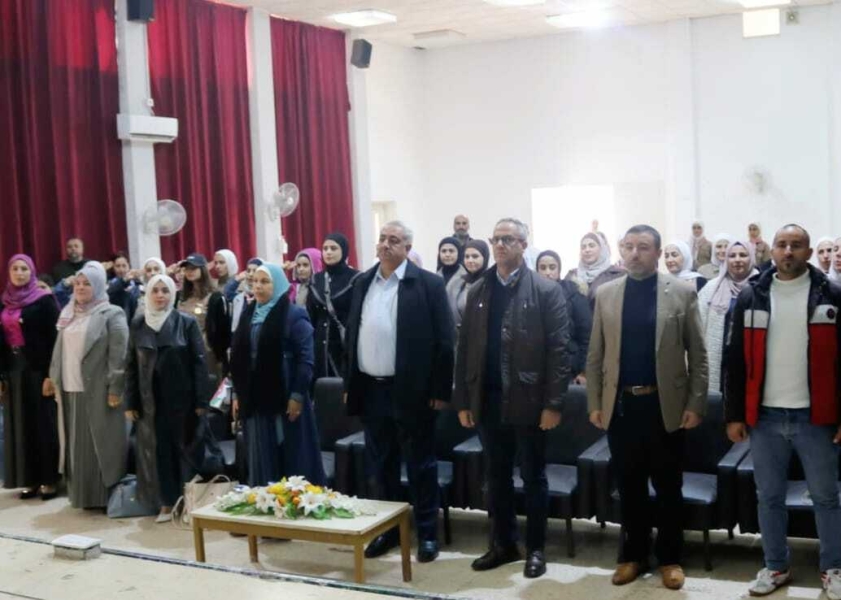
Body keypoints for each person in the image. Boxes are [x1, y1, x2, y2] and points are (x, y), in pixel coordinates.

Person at [587, 224, 708, 590]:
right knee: (630, 485)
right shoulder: (606, 293)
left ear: (657, 253)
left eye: (643, 247)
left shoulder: (681, 292)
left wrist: (696, 402)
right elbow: (596, 354)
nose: (634, 253)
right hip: (622, 406)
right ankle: (633, 555)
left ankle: (670, 558)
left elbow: (698, 355)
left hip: (665, 404)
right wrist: (595, 402)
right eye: (628, 246)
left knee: (668, 485)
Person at [725, 224, 841, 600]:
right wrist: (734, 414)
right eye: (782, 244)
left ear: (809, 253)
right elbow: (733, 360)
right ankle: (776, 565)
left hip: (816, 418)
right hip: (765, 418)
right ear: (772, 251)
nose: (788, 251)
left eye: (796, 245)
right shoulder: (751, 296)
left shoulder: (831, 294)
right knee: (769, 497)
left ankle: (833, 569)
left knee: (826, 497)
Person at [454, 219, 572, 579]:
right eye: (496, 239)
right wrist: (464, 400)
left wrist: (553, 404)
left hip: (530, 400)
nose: (501, 245)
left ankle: (535, 548)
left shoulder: (546, 290)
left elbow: (560, 351)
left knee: (533, 476)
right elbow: (465, 348)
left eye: (508, 239)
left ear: (523, 244)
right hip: (488, 399)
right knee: (496, 475)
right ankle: (503, 544)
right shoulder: (479, 288)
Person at [344, 221, 454, 564]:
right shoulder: (363, 282)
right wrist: (350, 385)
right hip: (371, 390)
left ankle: (427, 534)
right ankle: (388, 531)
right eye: (382, 238)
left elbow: (445, 341)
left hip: (413, 392)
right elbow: (352, 336)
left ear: (408, 247)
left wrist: (440, 389)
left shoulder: (428, 284)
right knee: (381, 466)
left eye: (394, 240)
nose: (386, 244)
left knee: (420, 465)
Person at [125, 274, 211, 522]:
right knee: (159, 452)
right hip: (150, 402)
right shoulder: (138, 323)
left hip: (183, 401)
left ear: (172, 293)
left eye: (165, 290)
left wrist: (201, 401)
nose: (160, 295)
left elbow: (200, 363)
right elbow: (130, 364)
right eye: (155, 290)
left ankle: (190, 501)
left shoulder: (186, 322)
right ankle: (166, 502)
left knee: (185, 450)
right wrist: (130, 402)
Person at [230, 263, 324, 486]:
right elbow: (237, 358)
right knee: (259, 455)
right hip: (253, 399)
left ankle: (288, 502)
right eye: (255, 282)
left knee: (288, 455)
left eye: (265, 282)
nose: (258, 286)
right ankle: (263, 499)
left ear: (279, 285)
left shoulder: (294, 315)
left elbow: (306, 360)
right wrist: (236, 394)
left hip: (284, 396)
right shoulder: (249, 314)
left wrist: (297, 396)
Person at [45, 262, 128, 509]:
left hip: (98, 389)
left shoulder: (112, 313)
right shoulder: (68, 312)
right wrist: (53, 377)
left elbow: (119, 354)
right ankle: (81, 496)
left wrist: (115, 387)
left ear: (99, 286)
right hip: (69, 388)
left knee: (99, 444)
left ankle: (103, 497)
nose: (80, 288)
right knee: (75, 445)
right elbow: (58, 350)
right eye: (78, 283)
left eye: (87, 284)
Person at [0, 255, 60, 499]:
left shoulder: (44, 300)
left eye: (24, 268)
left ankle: (50, 479)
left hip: (38, 369)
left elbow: (55, 339)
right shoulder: (4, 302)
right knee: (20, 424)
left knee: (43, 424)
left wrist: (50, 375)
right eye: (15, 268)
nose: (19, 272)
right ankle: (30, 479)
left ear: (32, 272)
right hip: (13, 369)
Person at [697, 240, 755, 392]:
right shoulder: (711, 288)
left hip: (751, 357)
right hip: (720, 357)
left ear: (751, 258)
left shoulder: (761, 286)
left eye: (743, 255)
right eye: (732, 256)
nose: (737, 260)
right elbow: (698, 327)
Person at [308, 233, 360, 380]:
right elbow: (311, 316)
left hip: (345, 345)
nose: (328, 252)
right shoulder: (316, 279)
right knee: (322, 388)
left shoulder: (356, 278)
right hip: (319, 347)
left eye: (333, 248)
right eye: (325, 248)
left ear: (344, 250)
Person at [536, 250, 593, 383]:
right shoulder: (530, 295)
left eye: (552, 267)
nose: (548, 272)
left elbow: (586, 336)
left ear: (559, 270)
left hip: (569, 368)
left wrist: (584, 371)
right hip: (537, 369)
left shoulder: (573, 294)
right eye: (542, 268)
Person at [177, 254, 230, 383]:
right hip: (182, 349)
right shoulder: (179, 296)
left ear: (203, 270)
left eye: (193, 268)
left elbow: (223, 331)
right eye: (187, 268)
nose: (189, 271)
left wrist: (220, 357)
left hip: (207, 351)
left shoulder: (215, 297)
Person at [565, 232, 625, 307]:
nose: (587, 250)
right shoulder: (572, 275)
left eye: (591, 246)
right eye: (583, 247)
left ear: (601, 249)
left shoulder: (616, 274)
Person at [446, 240, 489, 331]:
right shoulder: (456, 283)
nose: (470, 260)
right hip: (457, 336)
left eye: (475, 256)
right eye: (467, 257)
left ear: (485, 257)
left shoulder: (492, 282)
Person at [107, 252, 142, 324]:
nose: (121, 269)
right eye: (118, 266)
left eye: (124, 266)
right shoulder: (109, 284)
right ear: (113, 268)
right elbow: (109, 293)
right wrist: (124, 280)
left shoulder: (137, 284)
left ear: (129, 266)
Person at [231, 258, 263, 333]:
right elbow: (228, 293)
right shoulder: (239, 297)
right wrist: (237, 279)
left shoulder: (264, 297)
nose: (251, 274)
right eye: (248, 271)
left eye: (255, 271)